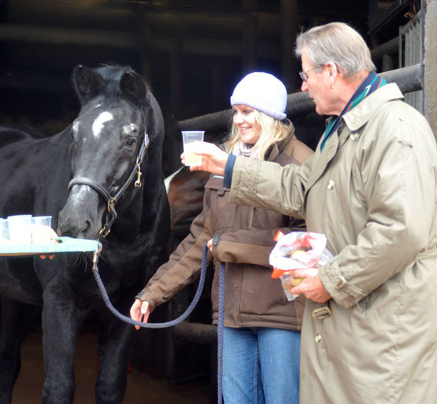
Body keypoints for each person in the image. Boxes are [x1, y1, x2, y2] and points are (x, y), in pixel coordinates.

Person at [192, 22, 437, 403]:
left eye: (306, 76)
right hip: (354, 325)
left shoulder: (396, 129)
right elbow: (298, 188)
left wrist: (333, 279)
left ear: (332, 72)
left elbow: (400, 230)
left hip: (383, 332)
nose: (303, 87)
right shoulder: (341, 131)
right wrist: (229, 167)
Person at [130, 72, 313, 403]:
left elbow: (308, 241)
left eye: (247, 111)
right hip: (231, 314)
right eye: (236, 112)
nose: (238, 120)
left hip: (282, 316)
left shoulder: (300, 164)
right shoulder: (224, 166)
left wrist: (233, 247)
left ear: (270, 113)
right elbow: (200, 239)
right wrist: (152, 293)